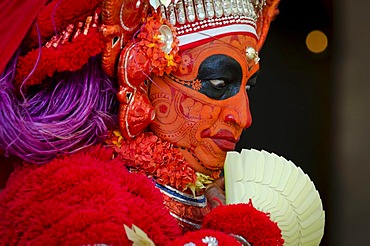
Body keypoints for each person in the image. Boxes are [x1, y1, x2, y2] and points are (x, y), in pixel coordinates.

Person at [0, 0, 295, 245]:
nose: (243, 117)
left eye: (248, 88)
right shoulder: (67, 195)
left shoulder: (218, 200)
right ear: (141, 79)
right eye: (218, 82)